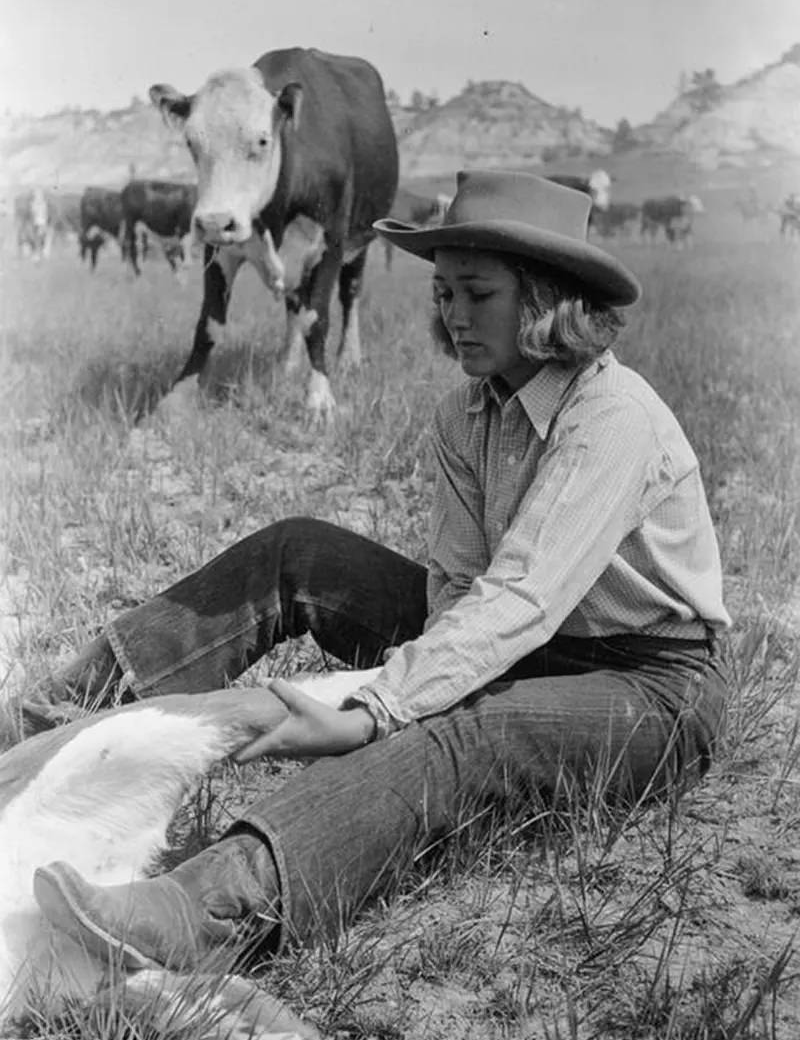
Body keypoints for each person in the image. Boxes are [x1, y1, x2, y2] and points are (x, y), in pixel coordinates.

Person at [29, 169, 730, 972]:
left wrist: (377, 709)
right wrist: (427, 673)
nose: (453, 318)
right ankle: (49, 725)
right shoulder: (466, 410)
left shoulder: (613, 416)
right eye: (443, 295)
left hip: (651, 686)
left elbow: (523, 598)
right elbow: (462, 594)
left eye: (478, 294)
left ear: (545, 300)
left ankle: (207, 911)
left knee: (460, 727)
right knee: (300, 551)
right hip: (525, 638)